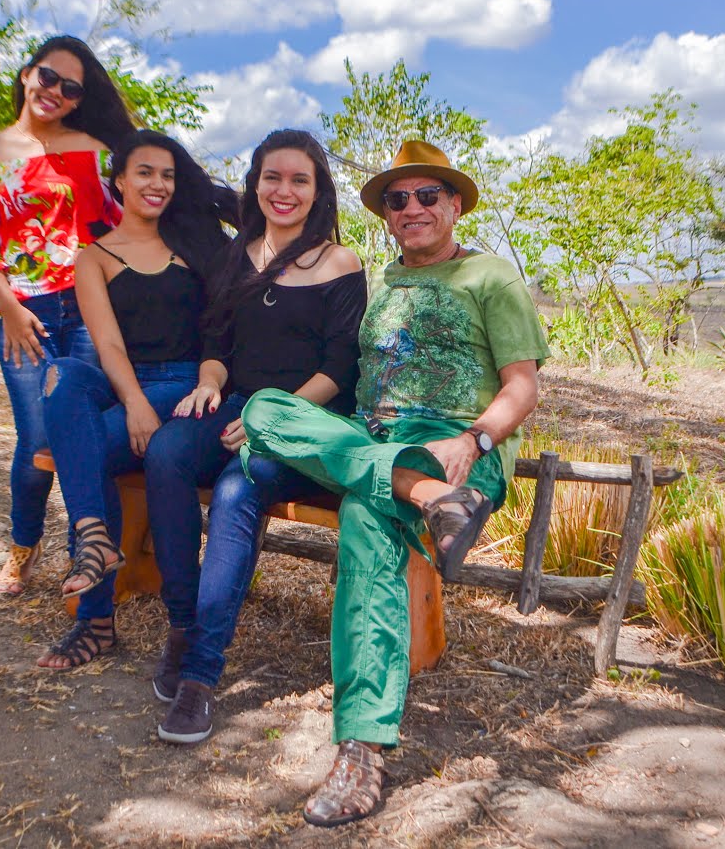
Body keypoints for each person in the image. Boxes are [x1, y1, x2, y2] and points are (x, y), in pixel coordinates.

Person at [238, 139, 551, 827]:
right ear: (386, 215)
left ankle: (361, 746)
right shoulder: (386, 282)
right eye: (397, 199)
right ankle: (426, 499)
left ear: (455, 203)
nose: (411, 208)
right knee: (263, 408)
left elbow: (522, 385)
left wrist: (475, 439)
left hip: (456, 447)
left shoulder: (491, 277)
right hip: (380, 445)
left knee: (362, 517)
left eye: (426, 195)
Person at [143, 129, 365, 744]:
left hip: (307, 423)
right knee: (166, 452)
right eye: (273, 177)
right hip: (236, 405)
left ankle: (199, 679)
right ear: (255, 184)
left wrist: (275, 418)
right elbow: (216, 345)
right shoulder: (237, 255)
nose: (284, 191)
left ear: (318, 191)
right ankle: (183, 624)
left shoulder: (339, 264)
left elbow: (339, 371)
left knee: (239, 492)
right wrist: (210, 384)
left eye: (300, 180)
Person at [36, 130, 240, 670]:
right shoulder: (93, 258)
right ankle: (94, 539)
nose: (158, 184)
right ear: (119, 180)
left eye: (168, 175)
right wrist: (133, 403)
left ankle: (94, 619)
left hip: (187, 382)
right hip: (124, 380)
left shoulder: (196, 245)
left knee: (84, 453)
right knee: (61, 374)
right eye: (145, 172)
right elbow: (106, 344)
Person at [0, 36, 134, 597]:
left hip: (86, 309)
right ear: (28, 75)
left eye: (71, 87)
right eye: (48, 77)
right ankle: (23, 546)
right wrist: (7, 305)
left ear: (80, 99)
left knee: (84, 432)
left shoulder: (92, 149)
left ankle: (93, 554)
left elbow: (120, 222)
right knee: (36, 437)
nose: (56, 91)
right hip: (21, 311)